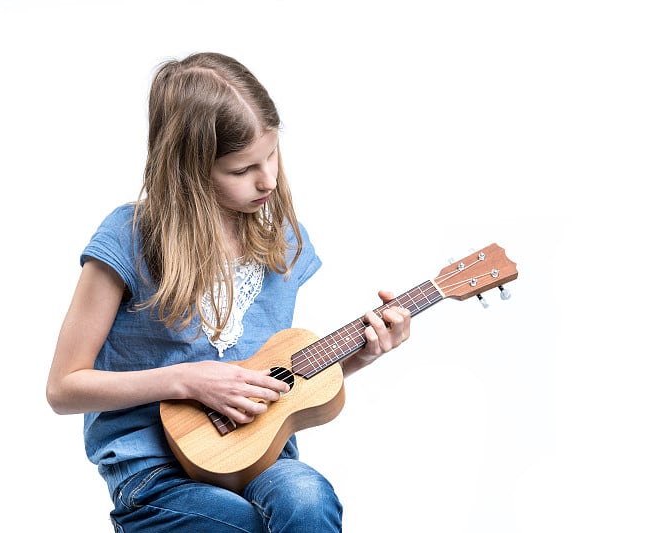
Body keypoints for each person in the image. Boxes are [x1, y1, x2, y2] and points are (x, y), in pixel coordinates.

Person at [46, 51, 411, 532]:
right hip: (153, 475)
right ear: (188, 170)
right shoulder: (129, 237)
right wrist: (186, 379)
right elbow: (63, 388)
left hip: (259, 457)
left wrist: (359, 356)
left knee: (307, 498)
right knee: (241, 524)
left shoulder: (283, 244)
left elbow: (276, 379)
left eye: (272, 156)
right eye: (241, 170)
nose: (267, 179)